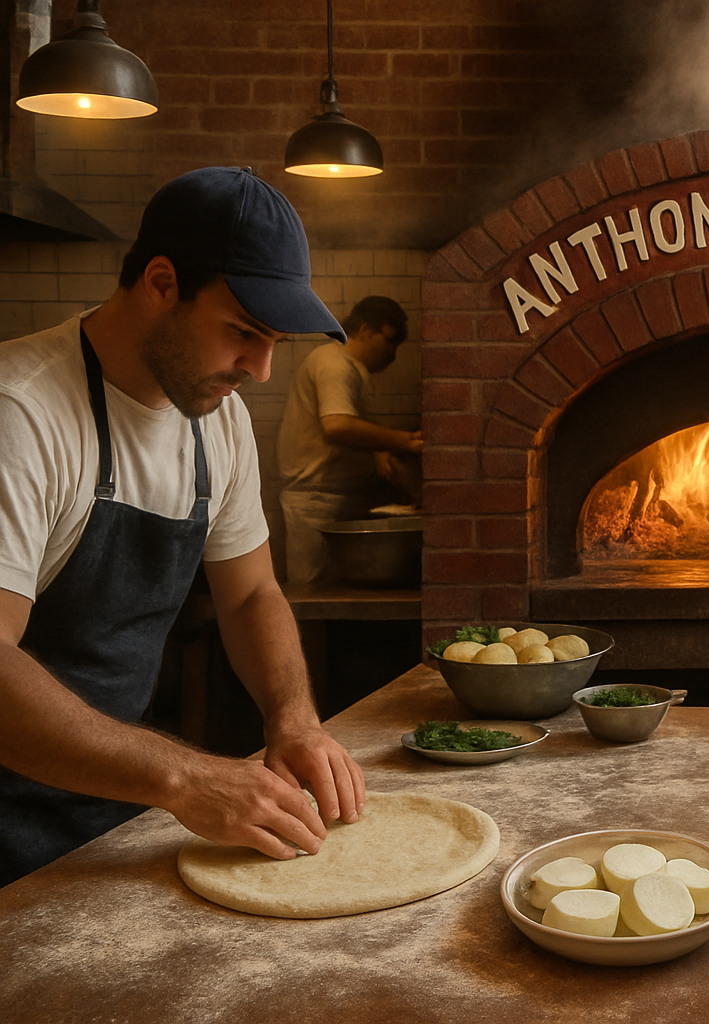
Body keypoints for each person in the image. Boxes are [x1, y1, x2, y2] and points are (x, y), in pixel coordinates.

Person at [0, 167, 366, 887]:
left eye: (274, 343)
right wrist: (185, 778)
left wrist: (292, 718)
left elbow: (252, 592)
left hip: (107, 812)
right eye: (242, 333)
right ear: (161, 282)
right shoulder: (22, 412)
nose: (260, 370)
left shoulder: (216, 422)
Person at [276, 295, 422, 585]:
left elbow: (362, 439)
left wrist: (385, 457)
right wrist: (405, 441)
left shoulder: (349, 369)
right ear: (365, 330)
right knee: (313, 597)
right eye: (390, 341)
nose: (393, 353)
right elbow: (338, 426)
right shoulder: (335, 364)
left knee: (332, 594)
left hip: (334, 499)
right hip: (315, 502)